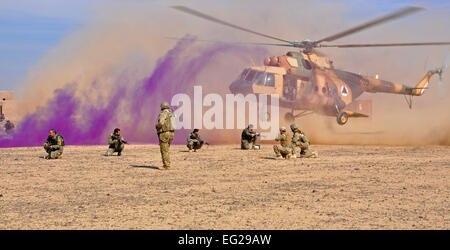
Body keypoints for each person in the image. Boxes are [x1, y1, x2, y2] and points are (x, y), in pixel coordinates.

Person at [155, 101, 176, 170]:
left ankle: (166, 166)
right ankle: (167, 164)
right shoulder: (172, 114)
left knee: (164, 150)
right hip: (171, 133)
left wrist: (157, 126)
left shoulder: (163, 113)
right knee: (167, 149)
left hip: (164, 133)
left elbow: (161, 123)